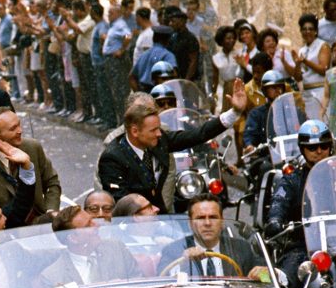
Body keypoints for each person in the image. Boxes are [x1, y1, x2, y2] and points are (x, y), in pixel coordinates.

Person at [98, 79, 246, 214]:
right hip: (134, 226)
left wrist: (234, 112)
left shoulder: (159, 140)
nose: (159, 134)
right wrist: (149, 220)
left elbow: (198, 134)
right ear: (135, 131)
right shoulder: (112, 157)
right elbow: (121, 203)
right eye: (153, 130)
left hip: (162, 217)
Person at [265, 119, 333, 288]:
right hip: (303, 245)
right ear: (303, 149)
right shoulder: (292, 181)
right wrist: (275, 219)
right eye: (312, 147)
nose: (319, 151)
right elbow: (279, 202)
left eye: (324, 146)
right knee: (285, 282)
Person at [0, 107, 61, 225]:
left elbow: (52, 182)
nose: (20, 130)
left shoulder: (33, 147)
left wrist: (51, 212)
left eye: (19, 125)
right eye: (13, 128)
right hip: (8, 229)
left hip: (43, 221)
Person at [159, 193, 268, 279]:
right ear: (190, 224)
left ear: (222, 221)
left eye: (213, 217)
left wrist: (264, 274)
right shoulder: (172, 250)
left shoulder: (242, 248)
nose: (207, 223)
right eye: (200, 218)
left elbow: (265, 279)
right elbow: (161, 286)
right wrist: (184, 262)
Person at [41, 204, 142, 288]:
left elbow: (139, 283)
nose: (97, 225)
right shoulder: (53, 277)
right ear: (73, 238)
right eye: (88, 225)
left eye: (92, 220)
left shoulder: (117, 248)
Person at [292, 13, 330, 113]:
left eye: (310, 29)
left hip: (320, 90)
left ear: (316, 31)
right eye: (304, 29)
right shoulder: (302, 50)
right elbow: (298, 78)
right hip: (306, 93)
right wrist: (297, 64)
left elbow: (324, 70)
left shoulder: (322, 45)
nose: (307, 32)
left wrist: (305, 61)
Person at [242, 70, 287, 150]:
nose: (277, 91)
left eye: (279, 87)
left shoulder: (291, 111)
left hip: (291, 153)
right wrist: (249, 145)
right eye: (273, 88)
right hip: (267, 155)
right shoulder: (256, 114)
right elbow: (249, 135)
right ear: (265, 91)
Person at [130, 25, 175, 92]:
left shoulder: (144, 54)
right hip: (160, 94)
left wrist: (139, 94)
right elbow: (173, 75)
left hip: (144, 93)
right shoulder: (168, 56)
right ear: (168, 40)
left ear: (153, 38)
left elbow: (131, 77)